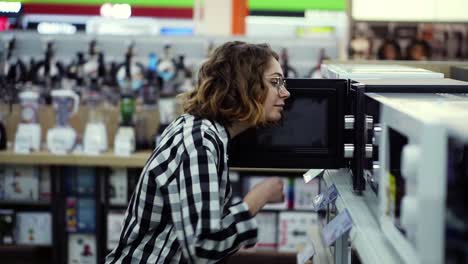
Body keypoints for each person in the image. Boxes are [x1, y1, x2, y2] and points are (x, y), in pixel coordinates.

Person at [105, 41, 290, 264]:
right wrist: (259, 197)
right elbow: (203, 246)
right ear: (244, 87)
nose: (285, 92)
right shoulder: (200, 142)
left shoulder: (205, 133)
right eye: (275, 82)